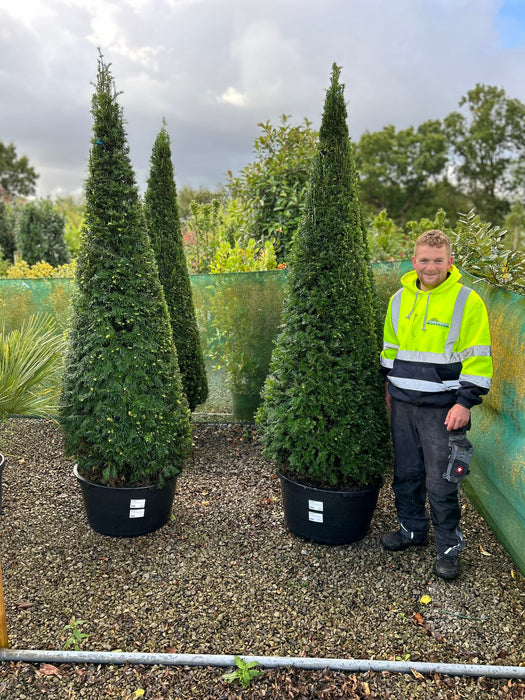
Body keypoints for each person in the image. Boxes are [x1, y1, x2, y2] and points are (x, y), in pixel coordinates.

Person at [380, 230, 493, 580]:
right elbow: (390, 348)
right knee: (406, 473)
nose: (431, 267)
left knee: (442, 482)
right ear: (413, 261)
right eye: (424, 260)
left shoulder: (466, 301)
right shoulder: (399, 299)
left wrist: (465, 403)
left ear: (449, 262)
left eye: (438, 260)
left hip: (443, 410)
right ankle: (412, 530)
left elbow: (478, 358)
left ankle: (448, 548)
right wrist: (388, 384)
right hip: (402, 404)